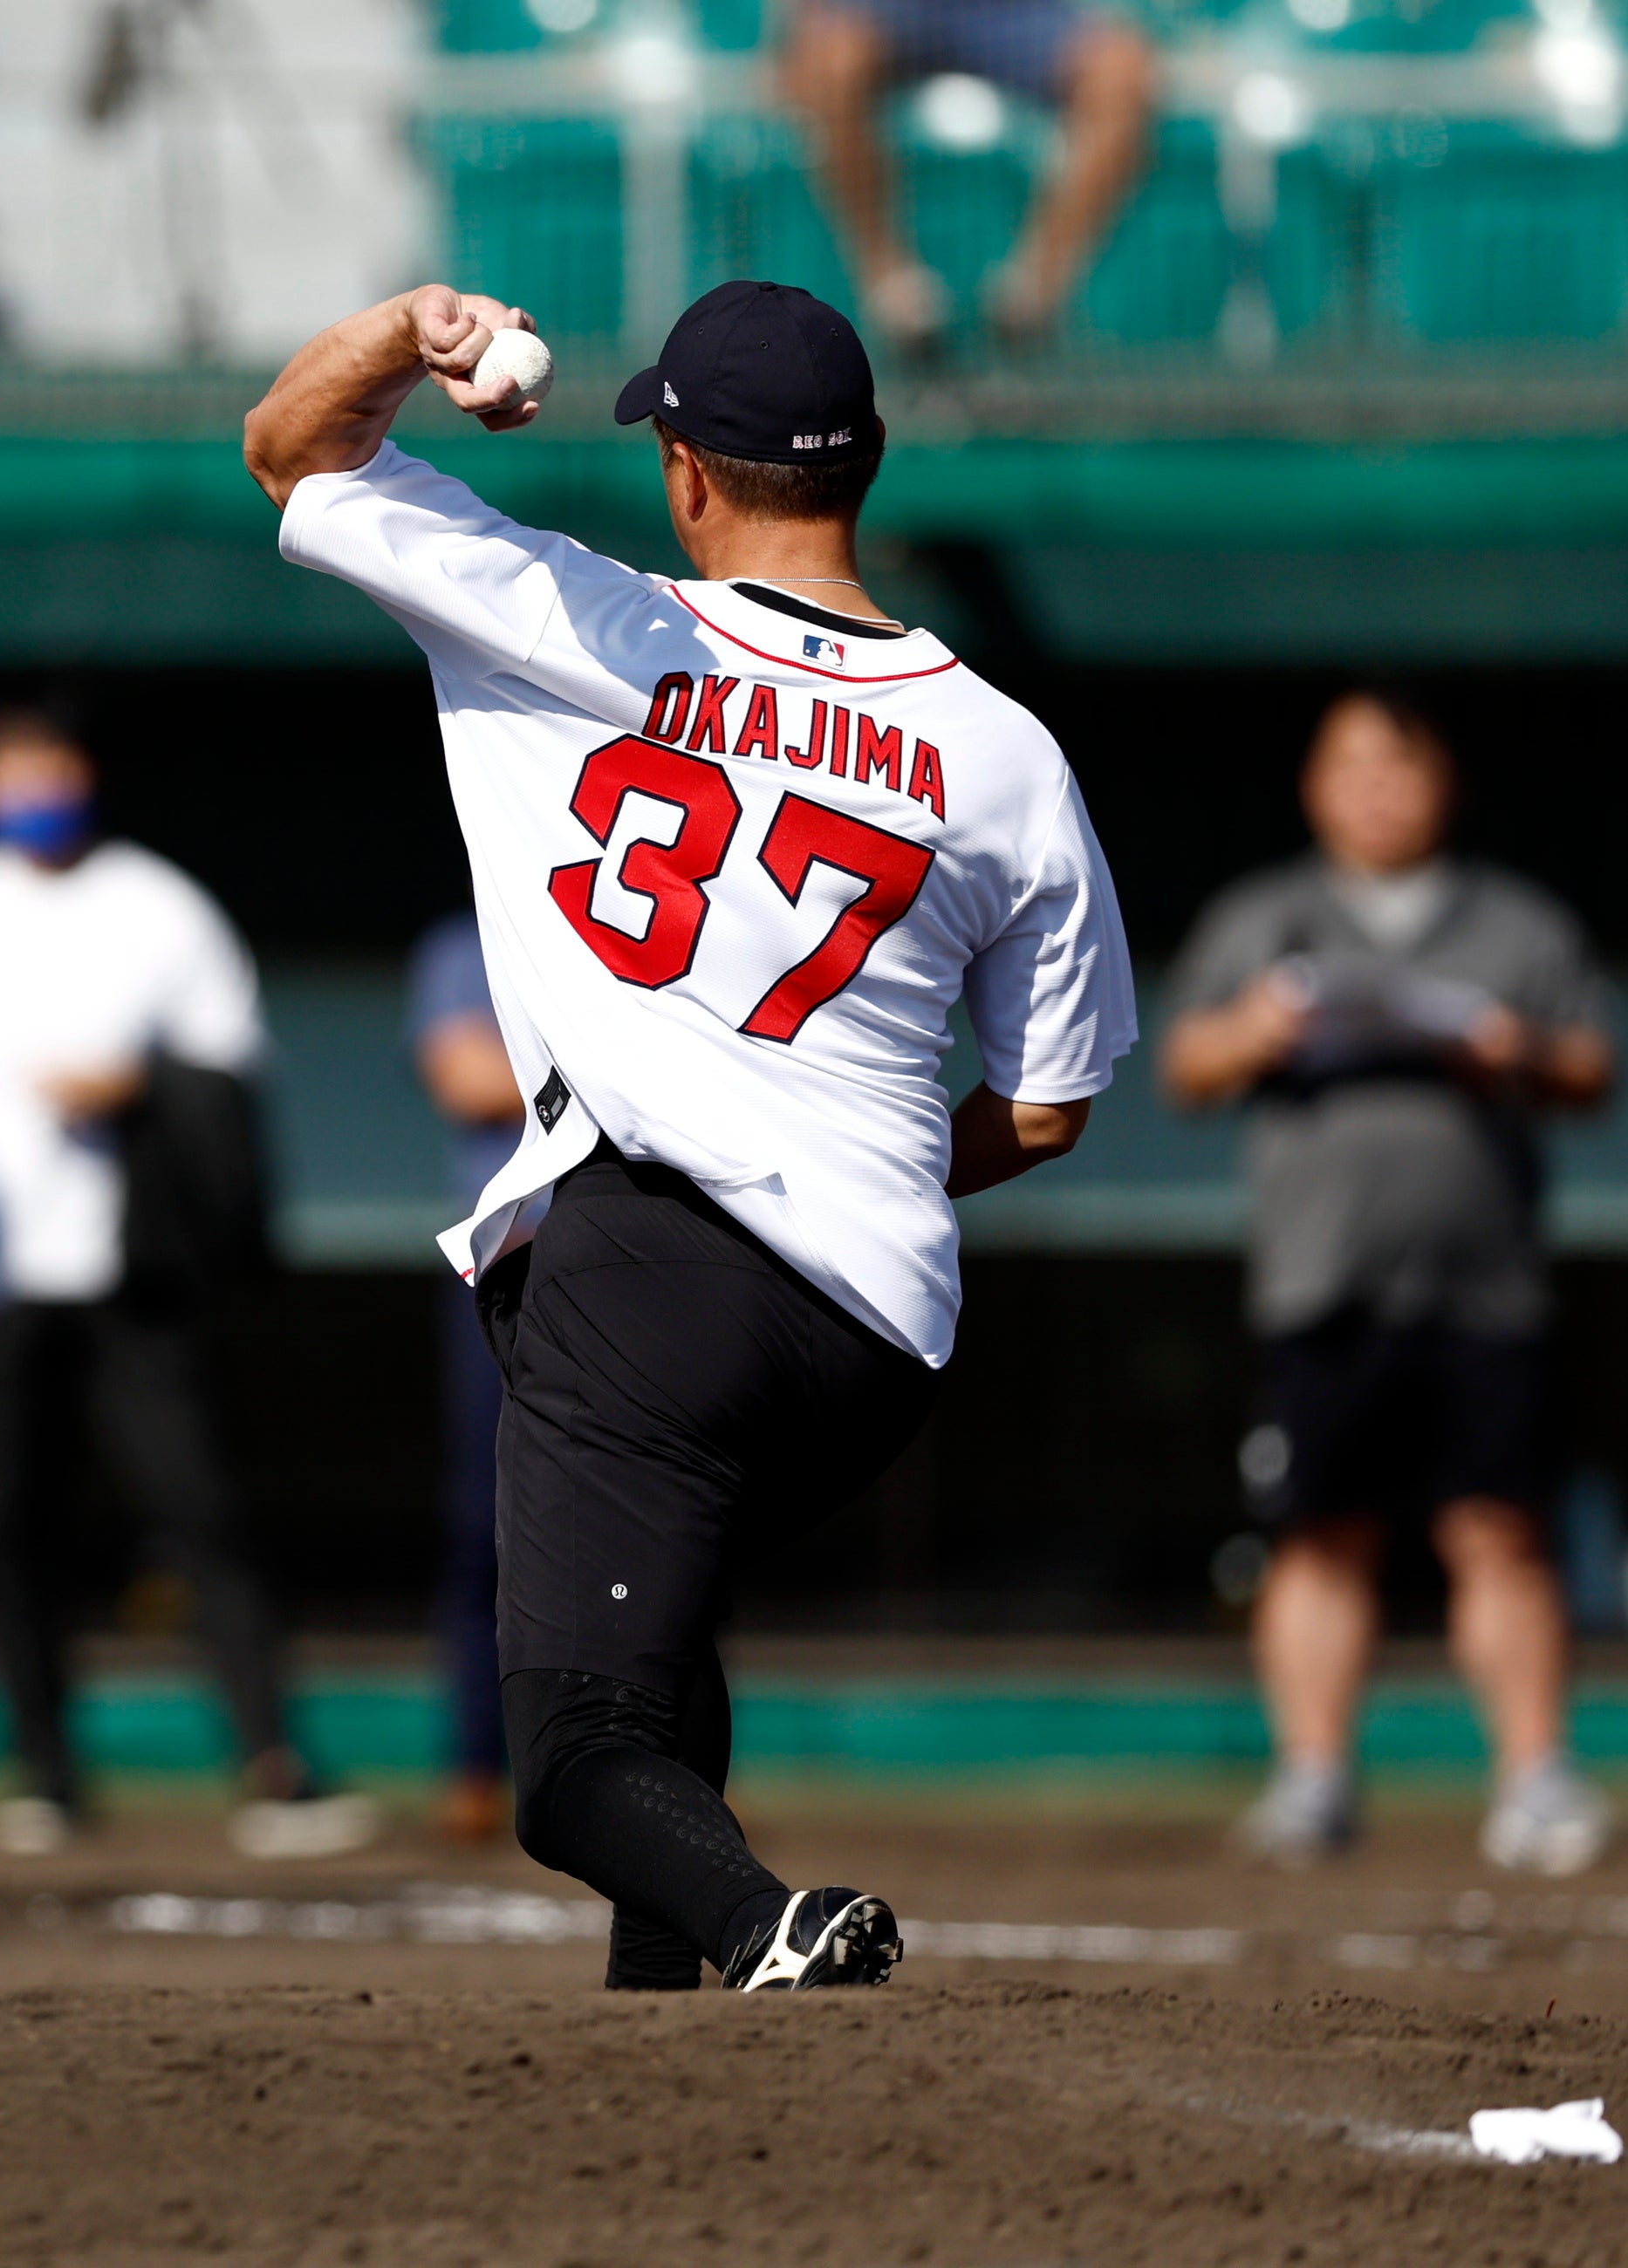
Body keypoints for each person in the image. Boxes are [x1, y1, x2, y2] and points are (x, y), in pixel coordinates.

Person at [245, 277, 1134, 1990]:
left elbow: (291, 451)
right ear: (865, 462)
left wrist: (406, 331)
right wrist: (866, 1164)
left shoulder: (576, 615)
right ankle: (670, 2010)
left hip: (649, 1274)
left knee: (570, 1748)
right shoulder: (1007, 753)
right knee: (654, 1646)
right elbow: (1049, 1101)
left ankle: (763, 1929)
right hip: (878, 1329)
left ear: (687, 475)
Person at [1160, 691, 1617, 1876]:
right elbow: (1184, 1066)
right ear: (1314, 785)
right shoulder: (1265, 918)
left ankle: (1534, 1779)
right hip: (1322, 1288)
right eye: (1350, 763)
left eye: (1399, 764)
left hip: (1488, 1291)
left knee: (1502, 1533)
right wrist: (1257, 1029)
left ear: (1442, 783)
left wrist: (1519, 1051)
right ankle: (1313, 1779)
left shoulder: (1519, 925)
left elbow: (1591, 1068)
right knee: (1320, 1537)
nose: (1377, 787)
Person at [0, 707, 374, 1862]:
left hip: (134, 1270)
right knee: (12, 1524)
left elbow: (232, 1071)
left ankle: (274, 1763)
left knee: (200, 1511)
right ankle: (45, 1775)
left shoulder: (157, 905)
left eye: (51, 766)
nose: (33, 788)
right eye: (9, 771)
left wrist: (136, 1088)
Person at [776, 0, 1155, 353]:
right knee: (829, 61)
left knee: (1122, 71)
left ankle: (1033, 293)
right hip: (887, 11)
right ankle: (889, 285)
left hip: (1017, 15)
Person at [408, 912, 523, 1844]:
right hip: (504, 1264)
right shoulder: (466, 942)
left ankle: (675, 1760)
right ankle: (476, 1767)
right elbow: (471, 1079)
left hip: (641, 1250)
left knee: (660, 1519)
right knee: (484, 1524)